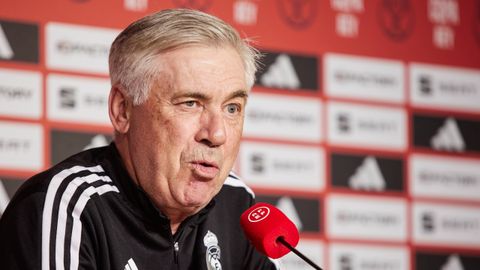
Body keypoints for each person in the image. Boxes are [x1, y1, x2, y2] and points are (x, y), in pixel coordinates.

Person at [0, 8, 279, 270]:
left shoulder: (239, 203)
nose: (217, 134)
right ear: (123, 110)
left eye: (232, 108)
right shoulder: (66, 207)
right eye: (190, 103)